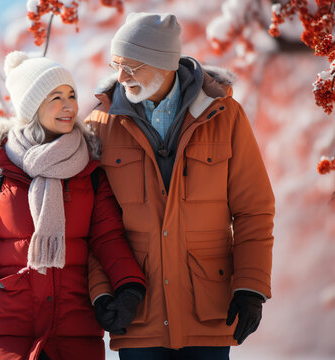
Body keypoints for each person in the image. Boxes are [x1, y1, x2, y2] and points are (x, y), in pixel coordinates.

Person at [85, 12, 275, 360]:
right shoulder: (100, 125)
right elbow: (93, 222)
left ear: (165, 63)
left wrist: (250, 287)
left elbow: (253, 208)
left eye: (132, 65)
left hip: (210, 308)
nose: (120, 76)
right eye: (117, 64)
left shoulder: (225, 116)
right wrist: (103, 292)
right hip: (138, 310)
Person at [0, 51, 146, 360]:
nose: (69, 106)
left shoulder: (89, 170)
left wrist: (129, 286)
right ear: (32, 105)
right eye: (55, 97)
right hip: (7, 329)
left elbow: (109, 238)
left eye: (71, 95)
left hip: (74, 327)